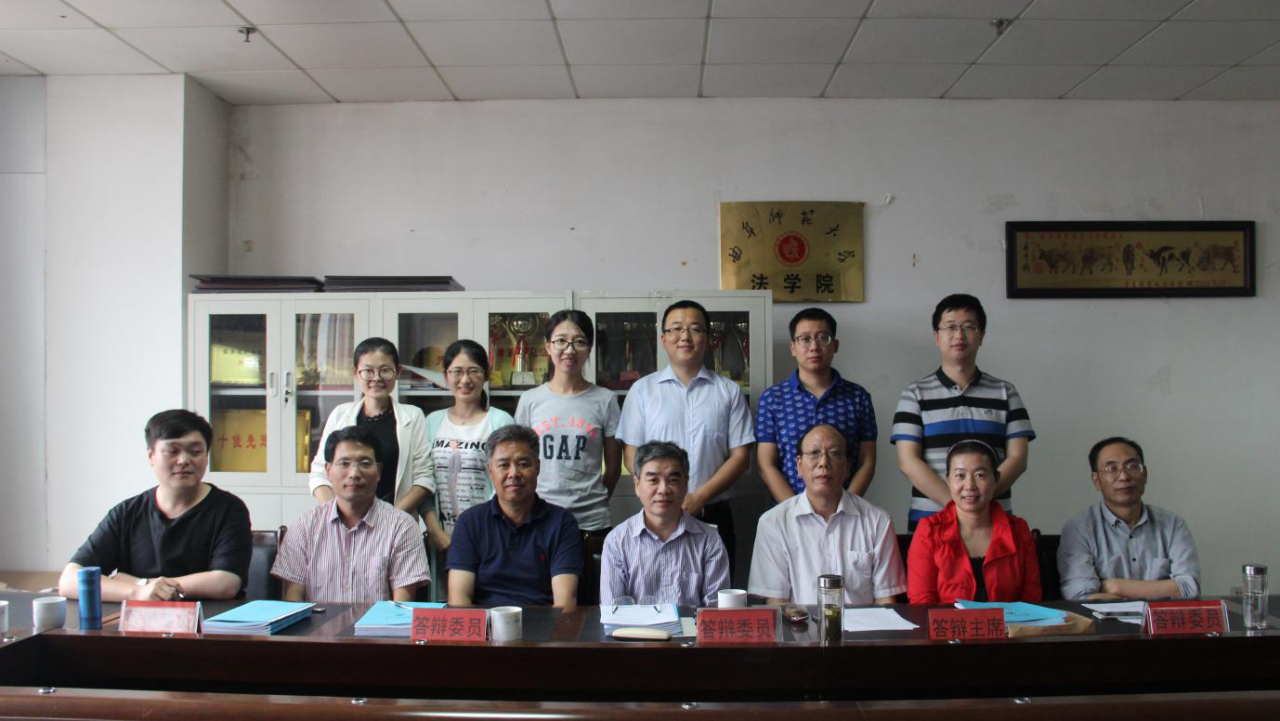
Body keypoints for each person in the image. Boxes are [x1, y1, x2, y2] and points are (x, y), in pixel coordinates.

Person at [616, 299, 754, 576]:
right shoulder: (642, 391)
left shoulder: (728, 392)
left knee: (716, 595)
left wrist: (699, 497)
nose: (685, 336)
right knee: (654, 589)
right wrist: (656, 492)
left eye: (695, 329)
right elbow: (632, 452)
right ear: (663, 339)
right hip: (657, 513)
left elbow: (740, 457)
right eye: (676, 328)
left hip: (713, 511)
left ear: (708, 338)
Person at [58, 410, 251, 602]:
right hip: (140, 620)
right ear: (151, 456)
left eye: (196, 452)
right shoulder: (126, 513)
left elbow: (226, 582)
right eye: (172, 451)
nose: (184, 460)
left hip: (208, 620)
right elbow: (69, 581)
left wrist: (142, 583)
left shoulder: (229, 509)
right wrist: (138, 592)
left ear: (207, 456)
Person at [891, 294, 1035, 530]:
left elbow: (1018, 459)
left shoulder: (1005, 392)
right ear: (936, 336)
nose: (959, 335)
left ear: (982, 335)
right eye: (950, 327)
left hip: (993, 525)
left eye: (969, 327)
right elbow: (908, 462)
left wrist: (979, 502)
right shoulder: (914, 394)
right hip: (931, 525)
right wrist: (959, 504)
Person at [748, 424, 905, 605]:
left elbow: (886, 599)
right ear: (799, 465)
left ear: (847, 466)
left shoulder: (877, 521)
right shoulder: (773, 523)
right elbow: (777, 603)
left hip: (861, 623)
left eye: (835, 453)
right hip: (799, 622)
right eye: (814, 453)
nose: (824, 462)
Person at [272, 426, 430, 602]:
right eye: (344, 464)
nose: (354, 473)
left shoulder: (402, 526)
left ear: (379, 471)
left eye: (365, 463)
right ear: (328, 471)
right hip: (316, 621)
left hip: (380, 621)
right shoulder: (304, 526)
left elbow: (401, 607)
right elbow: (293, 601)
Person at [447, 424, 583, 608]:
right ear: (490, 471)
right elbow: (459, 601)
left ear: (538, 468)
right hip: (486, 624)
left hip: (542, 623)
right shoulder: (470, 523)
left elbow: (564, 604)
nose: (513, 473)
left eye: (523, 464)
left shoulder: (562, 523)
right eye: (504, 465)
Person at [515, 310, 622, 541]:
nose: (570, 350)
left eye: (579, 342)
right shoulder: (530, 400)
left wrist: (596, 500)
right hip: (539, 517)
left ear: (589, 348)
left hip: (591, 522)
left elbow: (614, 467)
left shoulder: (605, 400)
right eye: (561, 341)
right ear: (548, 347)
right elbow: (520, 460)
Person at [757, 307, 877, 502]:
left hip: (846, 512)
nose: (814, 347)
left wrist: (845, 509)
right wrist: (795, 511)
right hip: (787, 512)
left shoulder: (857, 397)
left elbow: (867, 462)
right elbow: (766, 465)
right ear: (793, 348)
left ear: (835, 345)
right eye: (805, 339)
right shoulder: (772, 399)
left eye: (823, 338)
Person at [1058, 437, 1200, 601]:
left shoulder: (1172, 524)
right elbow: (1080, 595)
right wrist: (1163, 589)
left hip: (1160, 618)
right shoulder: (1079, 528)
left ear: (1145, 474)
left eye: (1132, 466)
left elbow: (1189, 588)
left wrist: (1114, 586)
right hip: (1105, 619)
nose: (1124, 476)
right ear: (1096, 481)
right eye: (1112, 469)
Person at [309, 338, 430, 518]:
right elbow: (320, 471)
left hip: (396, 522)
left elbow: (424, 476)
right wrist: (339, 515)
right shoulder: (340, 415)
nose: (376, 378)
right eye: (368, 371)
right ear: (355, 373)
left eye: (385, 370)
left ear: (398, 372)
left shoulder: (413, 416)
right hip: (345, 524)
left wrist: (390, 519)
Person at [907, 440, 1041, 604]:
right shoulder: (929, 531)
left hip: (1010, 621)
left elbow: (1031, 597)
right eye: (960, 476)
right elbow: (921, 602)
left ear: (996, 479)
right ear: (948, 480)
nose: (969, 485)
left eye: (980, 475)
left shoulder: (1018, 531)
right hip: (947, 622)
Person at [600, 442, 730, 607]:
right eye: (653, 480)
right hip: (636, 626)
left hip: (692, 625)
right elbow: (613, 611)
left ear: (685, 484)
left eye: (673, 480)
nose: (663, 489)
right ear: (637, 485)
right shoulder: (617, 542)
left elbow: (716, 612)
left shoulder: (710, 541)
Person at [416, 340, 515, 557]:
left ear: (486, 375)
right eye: (457, 372)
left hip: (489, 536)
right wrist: (435, 532)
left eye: (473, 371)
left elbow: (508, 482)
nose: (465, 380)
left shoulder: (500, 421)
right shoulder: (432, 421)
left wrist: (483, 533)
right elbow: (424, 479)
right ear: (446, 376)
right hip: (441, 539)